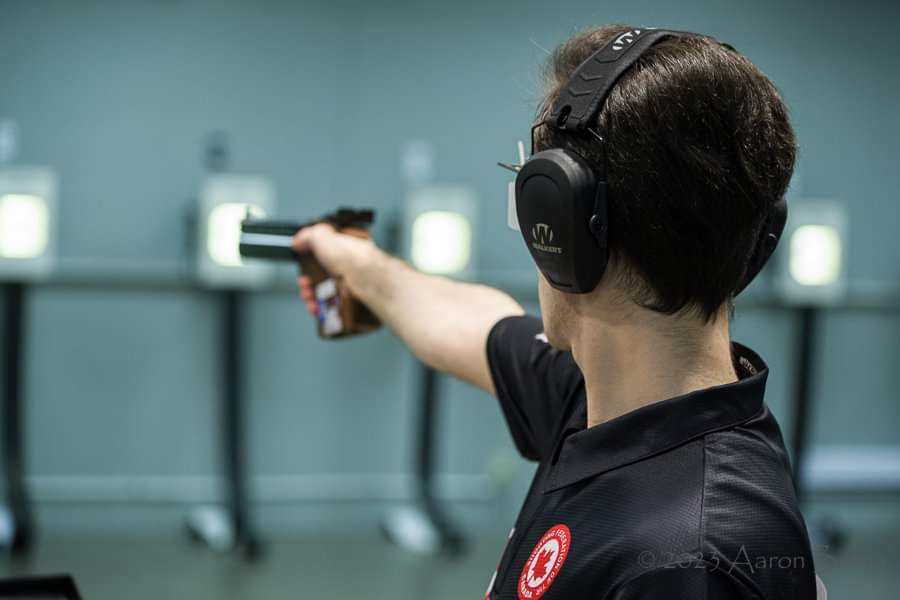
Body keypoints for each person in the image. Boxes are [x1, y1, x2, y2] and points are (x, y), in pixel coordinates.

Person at [292, 24, 816, 600]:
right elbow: (472, 323)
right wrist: (356, 263)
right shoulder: (608, 402)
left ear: (559, 228)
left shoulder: (685, 565)